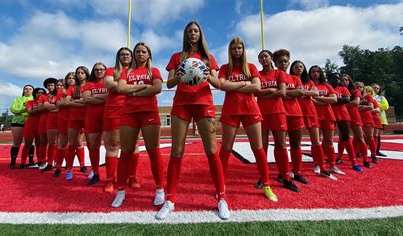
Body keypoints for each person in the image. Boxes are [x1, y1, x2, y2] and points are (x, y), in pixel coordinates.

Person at [156, 22, 228, 220]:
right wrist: (182, 73)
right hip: (181, 104)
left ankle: (221, 198)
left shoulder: (208, 58)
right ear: (185, 35)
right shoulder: (177, 57)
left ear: (200, 34)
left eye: (195, 31)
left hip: (204, 103)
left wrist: (204, 72)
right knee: (176, 151)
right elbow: (169, 82)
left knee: (212, 150)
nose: (192, 34)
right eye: (189, 31)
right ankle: (169, 200)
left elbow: (218, 83)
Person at [218, 37, 278, 202]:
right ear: (230, 51)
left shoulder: (251, 67)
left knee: (258, 148)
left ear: (243, 50)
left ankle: (266, 184)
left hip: (251, 109)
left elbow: (257, 87)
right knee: (226, 148)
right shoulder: (225, 68)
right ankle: (220, 184)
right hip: (230, 110)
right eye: (234, 48)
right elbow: (223, 86)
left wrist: (234, 85)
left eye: (239, 48)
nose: (237, 51)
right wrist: (245, 83)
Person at [111, 42, 165, 208]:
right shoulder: (127, 71)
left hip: (149, 113)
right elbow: (120, 88)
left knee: (153, 152)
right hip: (129, 114)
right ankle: (120, 191)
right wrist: (142, 87)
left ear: (148, 54)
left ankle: (160, 189)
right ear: (134, 55)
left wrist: (132, 90)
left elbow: (157, 88)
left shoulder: (154, 70)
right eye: (137, 52)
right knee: (126, 152)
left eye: (143, 51)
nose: (140, 54)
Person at [104, 47, 142, 193]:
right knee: (113, 145)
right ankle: (110, 180)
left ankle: (132, 177)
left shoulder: (137, 71)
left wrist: (121, 86)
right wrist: (132, 88)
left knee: (134, 144)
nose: (125, 56)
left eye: (128, 54)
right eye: (122, 54)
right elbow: (109, 84)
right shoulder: (111, 70)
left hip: (133, 109)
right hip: (114, 109)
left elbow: (118, 86)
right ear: (118, 56)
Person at [272, 49, 308, 191]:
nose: (283, 63)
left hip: (295, 113)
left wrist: (283, 93)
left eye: (285, 61)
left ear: (288, 62)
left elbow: (300, 93)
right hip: (279, 112)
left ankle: (297, 172)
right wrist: (287, 94)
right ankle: (282, 173)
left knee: (296, 144)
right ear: (275, 63)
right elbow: (277, 94)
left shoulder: (295, 78)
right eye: (280, 61)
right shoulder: (273, 76)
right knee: (280, 145)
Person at [310, 66, 345, 176]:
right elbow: (310, 101)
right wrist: (326, 100)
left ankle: (332, 165)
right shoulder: (309, 85)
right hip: (314, 115)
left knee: (329, 141)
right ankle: (316, 164)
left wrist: (318, 99)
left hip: (328, 115)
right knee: (316, 141)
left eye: (317, 72)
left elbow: (334, 100)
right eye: (313, 72)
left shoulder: (327, 85)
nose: (315, 74)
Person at [329, 74, 363, 172]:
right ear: (329, 79)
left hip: (343, 115)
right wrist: (338, 100)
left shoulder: (343, 89)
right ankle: (325, 162)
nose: (336, 80)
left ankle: (354, 162)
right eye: (334, 78)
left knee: (346, 138)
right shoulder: (327, 87)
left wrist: (332, 100)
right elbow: (342, 100)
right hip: (330, 115)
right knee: (328, 140)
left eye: (338, 78)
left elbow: (347, 99)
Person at [82, 62, 109, 185]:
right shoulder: (89, 84)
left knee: (110, 146)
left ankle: (110, 177)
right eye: (97, 69)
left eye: (102, 69)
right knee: (93, 146)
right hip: (92, 117)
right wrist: (103, 97)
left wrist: (96, 96)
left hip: (108, 115)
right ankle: (96, 173)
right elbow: (86, 99)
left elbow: (112, 96)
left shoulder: (109, 82)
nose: (99, 71)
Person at [65, 66, 90, 180]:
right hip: (74, 118)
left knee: (89, 144)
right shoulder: (72, 87)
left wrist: (76, 101)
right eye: (78, 73)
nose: (80, 75)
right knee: (71, 144)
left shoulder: (90, 85)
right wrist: (83, 102)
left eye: (82, 73)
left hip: (88, 117)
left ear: (86, 74)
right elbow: (67, 103)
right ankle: (69, 169)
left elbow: (90, 101)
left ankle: (91, 169)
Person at [340, 75, 370, 169]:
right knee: (342, 139)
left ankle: (365, 159)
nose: (344, 81)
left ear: (350, 81)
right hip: (343, 116)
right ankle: (339, 157)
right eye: (342, 80)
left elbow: (356, 102)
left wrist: (342, 105)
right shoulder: (338, 90)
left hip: (354, 116)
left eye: (346, 80)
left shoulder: (355, 91)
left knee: (360, 138)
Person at [53, 75, 75, 177]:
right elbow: (59, 104)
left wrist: (66, 102)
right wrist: (74, 102)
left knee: (75, 143)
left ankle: (72, 168)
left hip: (76, 118)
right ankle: (58, 167)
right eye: (69, 78)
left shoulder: (80, 89)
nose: (71, 80)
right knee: (62, 144)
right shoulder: (61, 90)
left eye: (73, 78)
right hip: (63, 119)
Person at [19, 88, 46, 168]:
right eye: (38, 93)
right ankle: (23, 162)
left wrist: (36, 109)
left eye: (42, 93)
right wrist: (40, 109)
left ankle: (40, 161)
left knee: (40, 144)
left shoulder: (46, 102)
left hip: (41, 125)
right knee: (28, 144)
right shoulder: (30, 102)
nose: (40, 94)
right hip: (30, 125)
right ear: (34, 94)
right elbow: (30, 111)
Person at [9, 85, 34, 168]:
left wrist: (20, 111)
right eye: (26, 89)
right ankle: (13, 162)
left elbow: (33, 111)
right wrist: (25, 110)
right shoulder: (18, 99)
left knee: (30, 142)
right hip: (17, 122)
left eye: (30, 89)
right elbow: (13, 109)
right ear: (23, 90)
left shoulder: (34, 99)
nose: (28, 90)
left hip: (30, 122)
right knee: (16, 142)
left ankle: (31, 161)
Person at [41, 78, 60, 172]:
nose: (50, 87)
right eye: (48, 85)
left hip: (62, 118)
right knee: (52, 142)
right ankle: (50, 163)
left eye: (52, 85)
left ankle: (59, 162)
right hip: (50, 120)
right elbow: (44, 106)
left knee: (62, 142)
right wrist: (58, 107)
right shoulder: (44, 96)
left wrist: (51, 107)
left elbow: (65, 104)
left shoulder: (62, 94)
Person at [356, 81, 375, 168]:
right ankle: (360, 154)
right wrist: (364, 107)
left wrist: (361, 107)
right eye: (357, 87)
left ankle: (373, 155)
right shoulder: (354, 96)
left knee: (370, 137)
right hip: (357, 118)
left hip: (367, 118)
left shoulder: (367, 96)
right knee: (360, 138)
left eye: (361, 87)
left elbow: (371, 106)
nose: (359, 88)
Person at [365, 85, 382, 164]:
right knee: (361, 138)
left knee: (373, 137)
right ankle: (359, 152)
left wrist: (364, 110)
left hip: (374, 119)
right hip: (364, 119)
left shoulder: (373, 100)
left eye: (369, 91)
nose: (368, 93)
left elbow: (378, 109)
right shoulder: (361, 99)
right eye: (366, 91)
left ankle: (374, 154)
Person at [372, 83, 389, 157]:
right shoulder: (368, 96)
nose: (375, 89)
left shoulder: (381, 97)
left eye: (377, 88)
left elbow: (386, 106)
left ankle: (377, 150)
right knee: (368, 136)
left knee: (378, 136)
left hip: (381, 119)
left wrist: (376, 105)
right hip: (370, 118)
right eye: (374, 88)